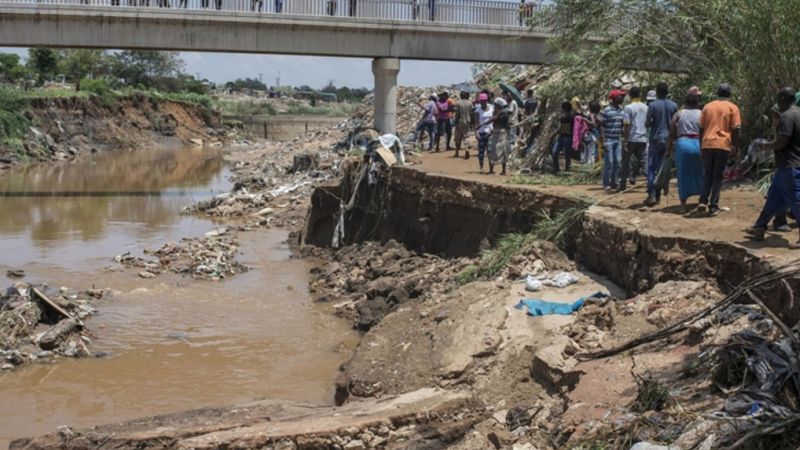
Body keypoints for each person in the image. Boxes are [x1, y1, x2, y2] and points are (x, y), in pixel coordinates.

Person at [745, 87, 800, 247]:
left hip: (790, 165)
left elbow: (782, 142)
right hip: (788, 166)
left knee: (796, 201)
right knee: (774, 198)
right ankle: (759, 227)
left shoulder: (787, 117)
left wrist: (765, 146)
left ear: (782, 99)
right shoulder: (798, 113)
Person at [697, 83, 741, 215]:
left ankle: (702, 201)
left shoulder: (708, 106)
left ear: (717, 93)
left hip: (707, 144)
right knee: (717, 176)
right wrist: (736, 147)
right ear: (729, 94)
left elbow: (701, 128)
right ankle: (714, 206)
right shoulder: (732, 107)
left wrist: (701, 145)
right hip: (723, 145)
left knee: (708, 173)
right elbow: (736, 129)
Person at [667, 91, 704, 212]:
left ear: (685, 102)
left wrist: (668, 149)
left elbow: (672, 132)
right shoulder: (701, 113)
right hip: (698, 144)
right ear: (697, 102)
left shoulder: (679, 114)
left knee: (682, 174)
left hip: (683, 145)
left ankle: (683, 204)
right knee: (701, 172)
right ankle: (702, 200)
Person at [645, 82, 678, 205]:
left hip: (655, 139)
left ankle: (652, 194)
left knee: (652, 168)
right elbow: (676, 124)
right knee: (663, 169)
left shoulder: (652, 105)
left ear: (657, 92)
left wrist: (653, 123)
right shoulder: (674, 105)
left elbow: (647, 123)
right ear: (667, 92)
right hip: (669, 140)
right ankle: (658, 195)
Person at [621, 86, 648, 191]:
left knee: (625, 162)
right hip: (643, 138)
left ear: (630, 95)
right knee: (643, 162)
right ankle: (651, 183)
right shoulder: (646, 107)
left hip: (631, 138)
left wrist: (625, 140)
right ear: (640, 95)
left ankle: (622, 184)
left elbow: (626, 125)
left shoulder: (628, 108)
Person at [600, 91, 626, 190]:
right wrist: (604, 141)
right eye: (620, 96)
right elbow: (602, 127)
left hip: (618, 139)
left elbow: (623, 125)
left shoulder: (621, 110)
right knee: (609, 161)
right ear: (614, 98)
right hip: (608, 139)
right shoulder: (606, 111)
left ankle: (614, 182)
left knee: (618, 161)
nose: (622, 98)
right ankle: (606, 183)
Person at [489, 97, 511, 175]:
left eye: (495, 105)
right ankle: (492, 170)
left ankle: (503, 170)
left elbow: (494, 119)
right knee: (493, 152)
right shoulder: (496, 112)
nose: (494, 106)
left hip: (501, 133)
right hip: (496, 133)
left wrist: (481, 125)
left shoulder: (503, 113)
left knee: (502, 152)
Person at [553, 100, 575, 173]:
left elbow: (565, 126)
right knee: (556, 152)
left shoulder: (570, 117)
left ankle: (566, 169)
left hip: (567, 137)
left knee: (566, 154)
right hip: (562, 136)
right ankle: (557, 169)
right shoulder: (564, 116)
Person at [474, 93, 494, 173]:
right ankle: (481, 167)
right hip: (481, 133)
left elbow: (493, 121)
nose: (483, 103)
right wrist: (476, 133)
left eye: (484, 101)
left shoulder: (492, 109)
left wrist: (492, 131)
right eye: (481, 101)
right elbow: (476, 123)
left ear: (487, 101)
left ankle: (491, 168)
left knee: (490, 152)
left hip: (490, 133)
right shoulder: (477, 111)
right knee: (481, 152)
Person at [453, 91, 473, 157]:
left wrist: (455, 122)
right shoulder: (470, 103)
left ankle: (456, 152)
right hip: (467, 121)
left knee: (457, 137)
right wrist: (472, 122)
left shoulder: (457, 103)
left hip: (460, 121)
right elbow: (471, 113)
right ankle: (466, 149)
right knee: (466, 136)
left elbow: (457, 114)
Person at [522, 89, 538, 155]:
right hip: (534, 119)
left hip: (528, 119)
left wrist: (523, 116)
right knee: (532, 134)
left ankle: (526, 150)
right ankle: (531, 148)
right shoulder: (536, 101)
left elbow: (525, 111)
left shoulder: (527, 101)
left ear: (528, 93)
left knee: (526, 134)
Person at [504, 91, 520, 156]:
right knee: (510, 137)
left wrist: (504, 109)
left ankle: (511, 154)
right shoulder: (510, 103)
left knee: (512, 138)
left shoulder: (513, 103)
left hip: (512, 122)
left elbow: (510, 111)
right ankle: (510, 152)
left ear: (511, 96)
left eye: (508, 96)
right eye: (507, 96)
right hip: (511, 122)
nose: (507, 97)